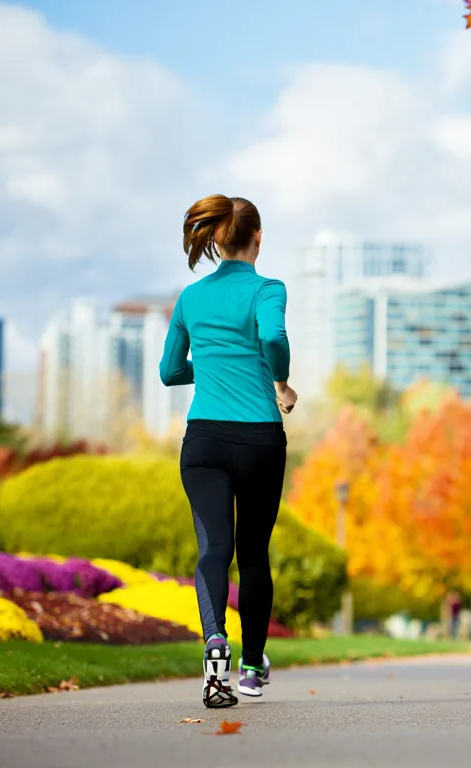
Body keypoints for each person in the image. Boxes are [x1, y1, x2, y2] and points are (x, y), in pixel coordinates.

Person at [161, 195, 296, 709]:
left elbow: (171, 372)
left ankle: (214, 640)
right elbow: (274, 336)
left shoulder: (191, 298)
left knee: (214, 549)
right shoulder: (268, 289)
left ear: (216, 240)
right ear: (258, 237)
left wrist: (213, 364)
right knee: (254, 555)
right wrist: (278, 378)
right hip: (260, 438)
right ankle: (251, 670)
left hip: (205, 442)